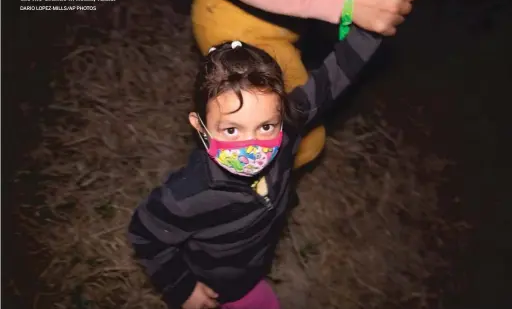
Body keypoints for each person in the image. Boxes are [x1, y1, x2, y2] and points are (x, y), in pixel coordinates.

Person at [128, 18, 399, 308]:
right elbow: (144, 233)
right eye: (231, 130)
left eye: (266, 127)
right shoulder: (187, 194)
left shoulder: (289, 127)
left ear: (282, 113)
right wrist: (181, 288)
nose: (252, 146)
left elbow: (328, 82)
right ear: (200, 126)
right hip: (217, 287)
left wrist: (370, 30)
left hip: (254, 268)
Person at [191, 0, 419, 170]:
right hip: (238, 20)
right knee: (292, 142)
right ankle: (232, 196)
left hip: (280, 21)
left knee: (288, 136)